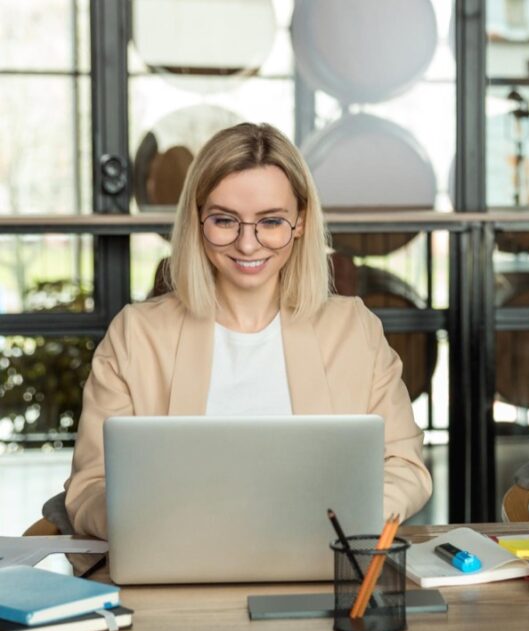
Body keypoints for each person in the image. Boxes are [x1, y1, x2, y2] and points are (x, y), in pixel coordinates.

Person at [64, 123, 431, 539]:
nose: (248, 244)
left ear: (301, 223)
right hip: (177, 573)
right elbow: (88, 488)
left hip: (321, 565)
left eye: (270, 221)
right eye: (225, 220)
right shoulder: (136, 335)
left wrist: (340, 526)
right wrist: (145, 523)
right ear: (196, 221)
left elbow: (405, 467)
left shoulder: (354, 330)